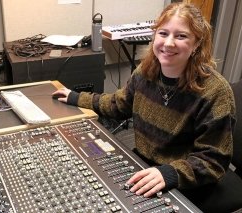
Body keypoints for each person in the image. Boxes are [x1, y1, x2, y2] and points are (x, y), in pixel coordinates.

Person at [52, 2, 236, 208]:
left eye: (181, 36)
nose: (168, 43)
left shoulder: (215, 91)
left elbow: (213, 160)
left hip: (185, 181)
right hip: (144, 164)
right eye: (163, 33)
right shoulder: (144, 73)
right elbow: (117, 105)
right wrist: (77, 97)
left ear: (196, 44)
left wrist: (170, 173)